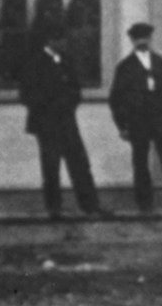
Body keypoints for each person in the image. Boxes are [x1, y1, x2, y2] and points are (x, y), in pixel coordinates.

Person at [19, 22, 103, 220]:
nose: (65, 43)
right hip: (46, 125)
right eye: (61, 39)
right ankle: (54, 208)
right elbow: (26, 95)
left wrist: (68, 104)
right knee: (51, 167)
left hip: (67, 122)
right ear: (51, 41)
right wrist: (50, 105)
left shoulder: (66, 61)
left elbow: (76, 91)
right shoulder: (35, 63)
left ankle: (90, 205)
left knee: (80, 164)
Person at [108, 21, 162, 215]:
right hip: (138, 121)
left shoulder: (160, 62)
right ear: (132, 41)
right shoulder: (125, 67)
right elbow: (115, 98)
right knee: (140, 162)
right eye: (138, 38)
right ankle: (145, 204)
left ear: (151, 39)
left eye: (145, 37)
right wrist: (122, 125)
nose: (142, 41)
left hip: (161, 120)